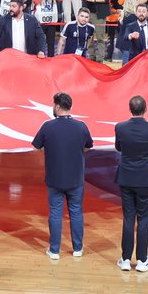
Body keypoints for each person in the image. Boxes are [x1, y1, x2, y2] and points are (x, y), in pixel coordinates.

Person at [32, 92, 93, 260]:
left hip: (54, 179)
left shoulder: (47, 126)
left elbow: (36, 147)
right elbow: (88, 146)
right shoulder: (81, 126)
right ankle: (78, 249)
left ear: (57, 106)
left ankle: (54, 250)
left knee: (55, 213)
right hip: (76, 179)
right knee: (76, 212)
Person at [114, 95, 148, 272]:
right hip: (146, 179)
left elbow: (119, 147)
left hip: (126, 178)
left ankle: (125, 259)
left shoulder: (120, 128)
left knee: (128, 218)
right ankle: (142, 260)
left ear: (130, 109)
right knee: (143, 219)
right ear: (145, 109)